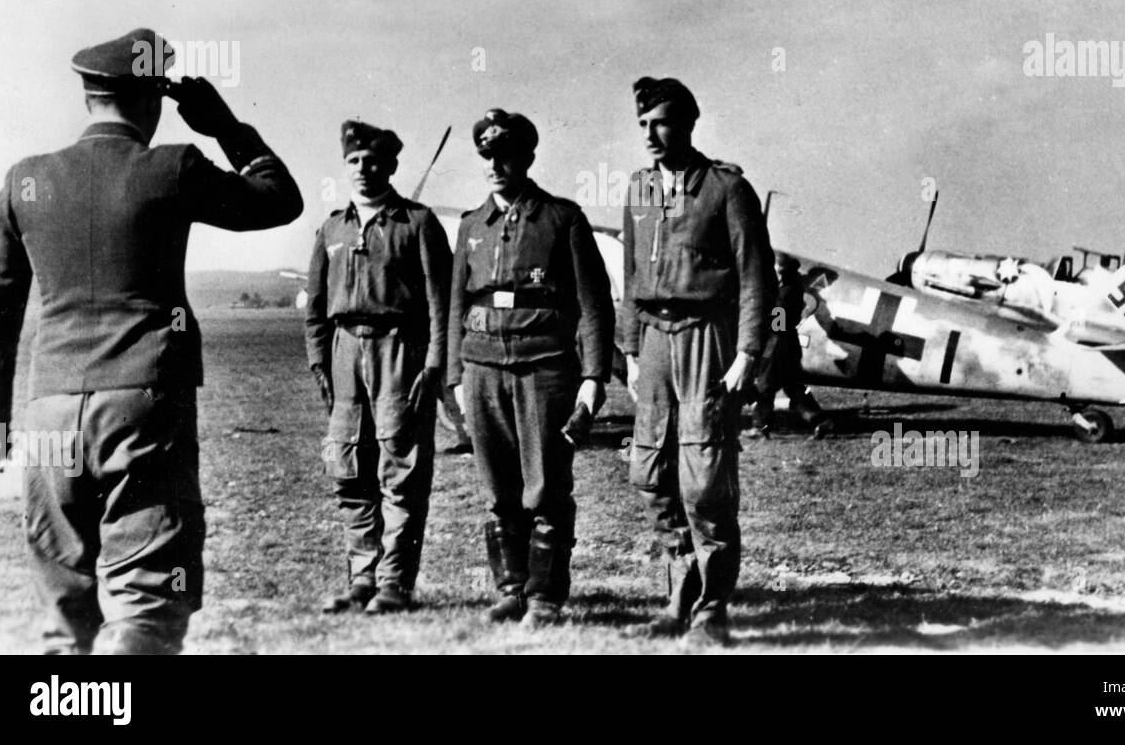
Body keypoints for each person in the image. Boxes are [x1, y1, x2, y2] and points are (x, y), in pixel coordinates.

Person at [0, 28, 302, 654]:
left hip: (50, 410)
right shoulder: (170, 166)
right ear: (155, 98)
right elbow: (278, 200)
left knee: (64, 603)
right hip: (143, 404)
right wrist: (227, 126)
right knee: (146, 599)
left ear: (88, 97)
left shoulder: (25, 180)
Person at [621, 76, 774, 646]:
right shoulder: (638, 188)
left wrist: (748, 354)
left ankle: (711, 610)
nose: (650, 135)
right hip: (655, 341)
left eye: (660, 122)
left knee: (704, 480)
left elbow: (758, 277)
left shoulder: (726, 189)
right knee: (649, 472)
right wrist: (631, 351)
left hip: (707, 338)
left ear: (686, 122)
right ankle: (677, 591)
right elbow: (631, 277)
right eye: (642, 125)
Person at [447, 109, 613, 627]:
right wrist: (454, 376)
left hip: (544, 368)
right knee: (496, 487)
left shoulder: (562, 219)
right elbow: (456, 302)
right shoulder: (472, 226)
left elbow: (594, 304)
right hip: (481, 370)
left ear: (528, 157)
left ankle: (544, 596)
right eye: (487, 156)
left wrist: (592, 380)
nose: (496, 164)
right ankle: (511, 588)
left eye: (506, 154)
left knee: (544, 486)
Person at [305, 120, 451, 615]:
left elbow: (440, 304)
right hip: (345, 352)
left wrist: (433, 365)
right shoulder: (331, 227)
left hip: (400, 349)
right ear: (345, 166)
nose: (363, 170)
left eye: (373, 162)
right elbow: (316, 307)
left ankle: (394, 583)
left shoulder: (418, 223)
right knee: (348, 469)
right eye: (354, 162)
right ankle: (361, 578)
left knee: (401, 468)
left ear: (390, 166)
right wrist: (318, 361)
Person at [744, 252, 832, 440]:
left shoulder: (782, 295)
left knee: (765, 385)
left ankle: (761, 426)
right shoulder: (795, 288)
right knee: (792, 386)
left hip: (777, 343)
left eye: (778, 272)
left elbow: (777, 324)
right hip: (790, 343)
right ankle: (819, 420)